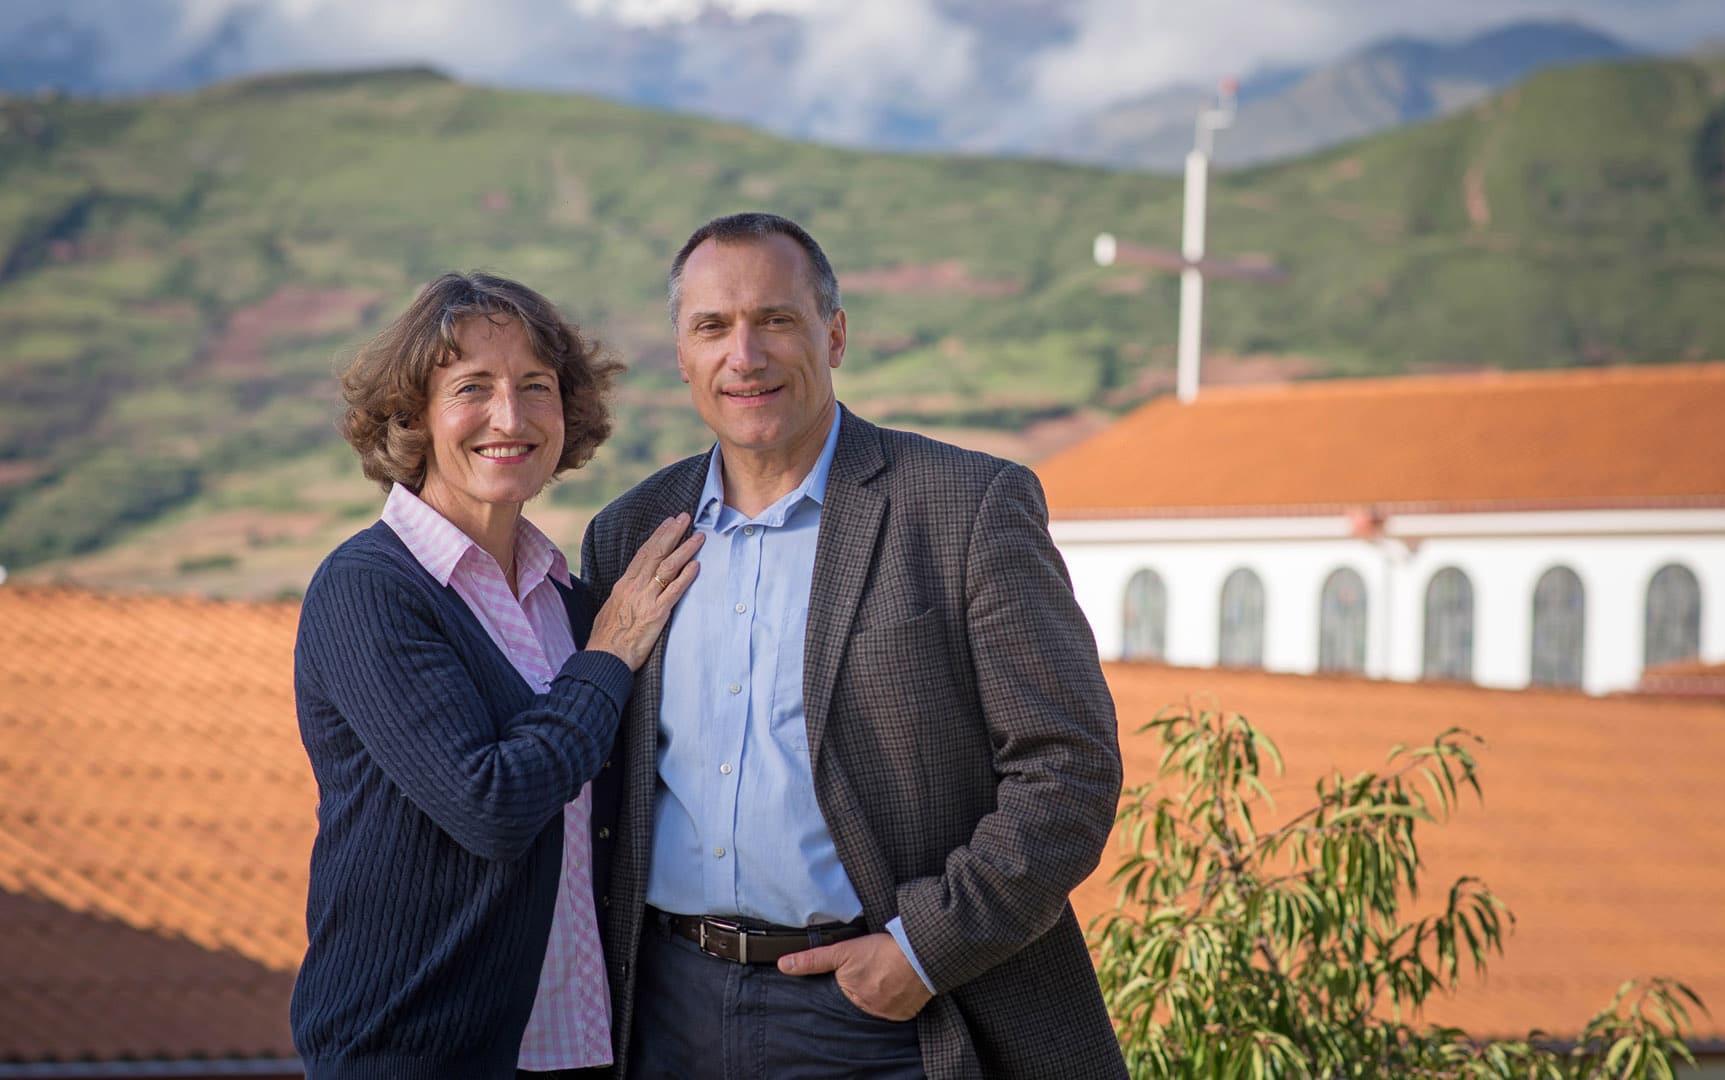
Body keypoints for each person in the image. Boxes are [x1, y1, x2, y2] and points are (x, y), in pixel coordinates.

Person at [580, 213, 1126, 1078]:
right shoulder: (629, 535)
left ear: (834, 334)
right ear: (681, 354)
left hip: (883, 1014)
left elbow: (1070, 769)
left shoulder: (965, 506)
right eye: (713, 327)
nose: (745, 356)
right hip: (664, 1013)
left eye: (777, 320)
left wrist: (921, 952)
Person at [291, 271, 703, 1080]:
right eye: (472, 388)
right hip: (411, 1054)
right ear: (413, 415)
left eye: (535, 387)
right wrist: (609, 657)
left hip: (583, 1050)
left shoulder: (571, 597)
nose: (509, 417)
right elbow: (492, 805)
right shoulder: (369, 588)